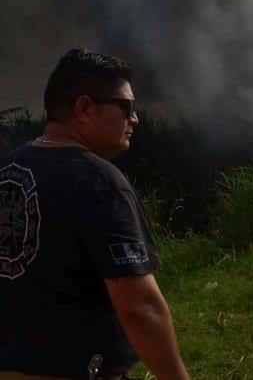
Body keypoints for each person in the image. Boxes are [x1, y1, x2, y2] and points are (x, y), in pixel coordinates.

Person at [0, 49, 190, 380]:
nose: (135, 119)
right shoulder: (100, 182)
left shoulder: (6, 170)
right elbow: (139, 309)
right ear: (84, 108)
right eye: (126, 108)